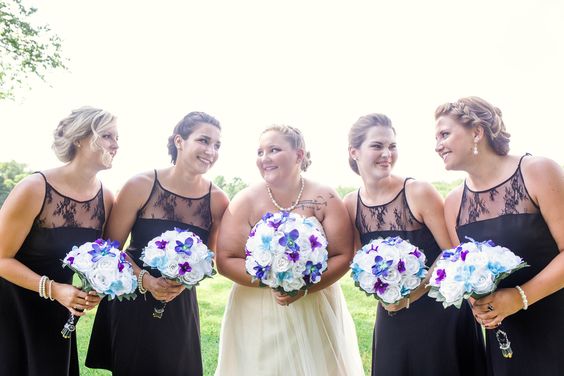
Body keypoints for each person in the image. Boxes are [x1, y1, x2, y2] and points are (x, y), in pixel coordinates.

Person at [85, 111, 229, 376]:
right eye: (204, 140)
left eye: (217, 145)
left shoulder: (217, 200)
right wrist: (145, 280)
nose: (211, 150)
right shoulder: (141, 185)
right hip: (132, 299)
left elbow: (208, 260)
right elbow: (109, 249)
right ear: (179, 141)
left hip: (179, 303)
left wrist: (183, 283)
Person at [214, 125, 364, 376]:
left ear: (298, 155)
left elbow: (343, 254)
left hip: (313, 305)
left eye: (274, 150)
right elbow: (226, 259)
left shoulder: (325, 197)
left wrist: (304, 287)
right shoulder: (245, 200)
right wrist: (271, 282)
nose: (265, 158)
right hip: (257, 308)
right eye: (260, 152)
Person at [343, 113, 486, 376]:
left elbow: (452, 253)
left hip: (440, 313)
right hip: (392, 314)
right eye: (377, 146)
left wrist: (413, 294)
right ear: (354, 152)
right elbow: (358, 262)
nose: (387, 153)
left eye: (392, 146)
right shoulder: (351, 204)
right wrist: (382, 291)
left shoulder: (418, 192)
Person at [435, 96, 564, 376]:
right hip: (504, 336)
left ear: (477, 132)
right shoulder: (454, 203)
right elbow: (463, 270)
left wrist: (521, 297)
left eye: (444, 134)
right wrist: (478, 304)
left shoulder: (538, 171)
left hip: (556, 321)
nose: (437, 145)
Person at [0, 107, 118, 376]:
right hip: (13, 304)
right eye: (108, 136)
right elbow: (1, 258)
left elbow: (101, 258)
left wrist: (95, 289)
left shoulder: (106, 198)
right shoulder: (34, 188)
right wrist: (53, 289)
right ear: (80, 138)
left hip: (61, 307)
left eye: (117, 138)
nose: (116, 145)